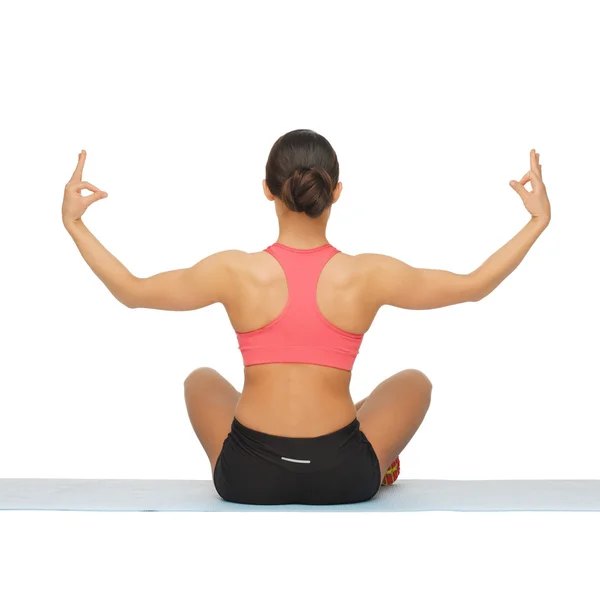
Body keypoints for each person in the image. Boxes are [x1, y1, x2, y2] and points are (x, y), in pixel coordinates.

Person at [62, 131, 551, 505]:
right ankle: (370, 451)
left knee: (200, 380)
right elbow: (473, 286)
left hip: (247, 478)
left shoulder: (234, 270)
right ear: (335, 192)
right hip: (344, 476)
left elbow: (131, 291)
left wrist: (74, 223)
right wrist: (536, 221)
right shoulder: (366, 274)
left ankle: (292, 444)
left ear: (266, 190)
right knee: (415, 382)